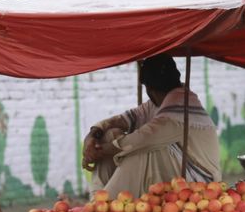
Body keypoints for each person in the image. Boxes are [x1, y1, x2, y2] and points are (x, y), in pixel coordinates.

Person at [82, 54, 222, 198]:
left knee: (142, 150)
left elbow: (142, 139)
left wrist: (97, 151)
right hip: (179, 174)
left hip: (200, 182)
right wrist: (94, 134)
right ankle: (98, 198)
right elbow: (122, 120)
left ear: (149, 89)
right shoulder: (158, 102)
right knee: (110, 134)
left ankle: (103, 204)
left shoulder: (180, 105)